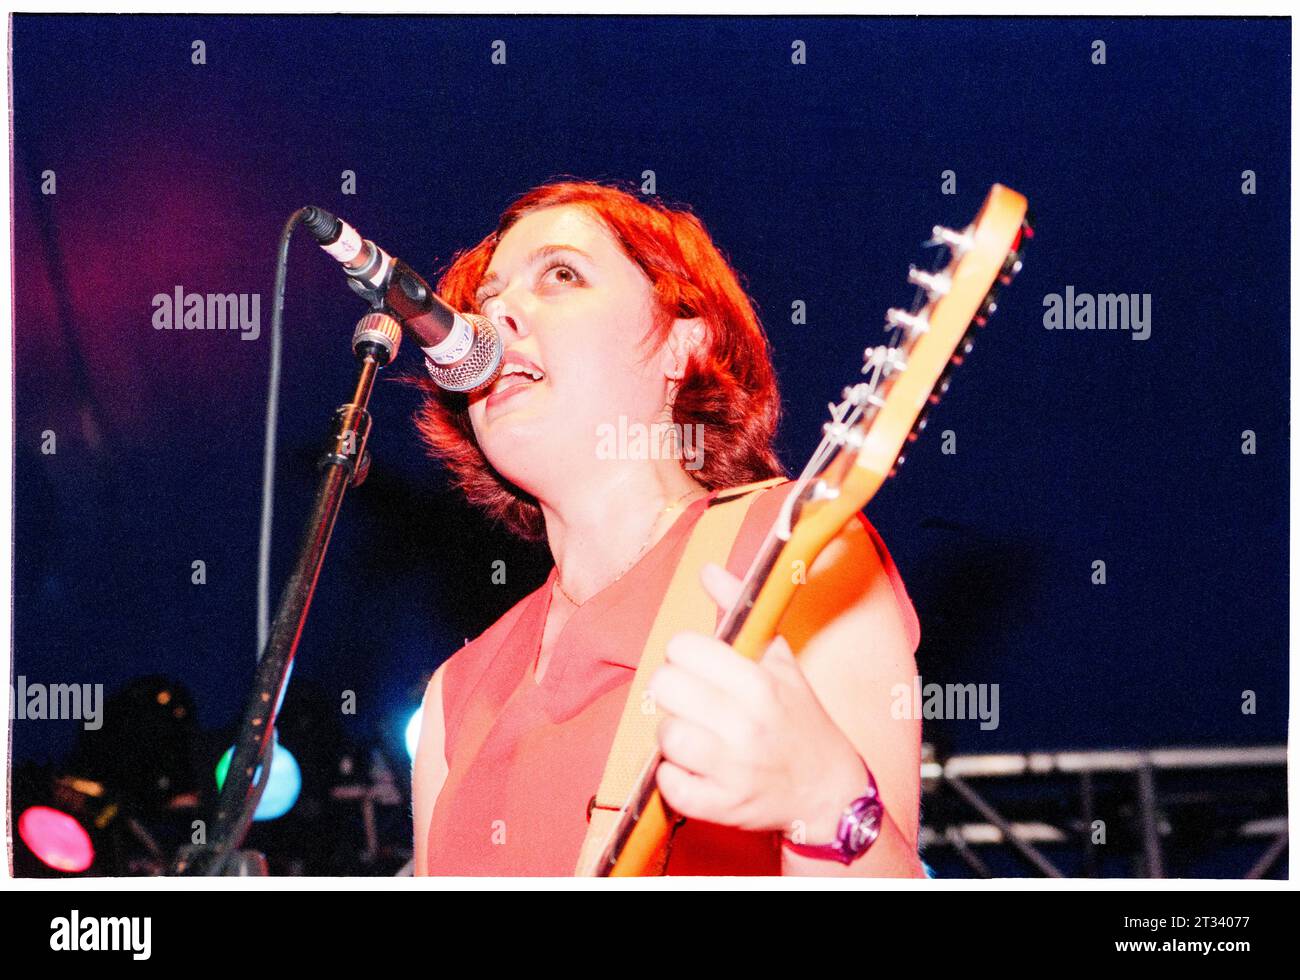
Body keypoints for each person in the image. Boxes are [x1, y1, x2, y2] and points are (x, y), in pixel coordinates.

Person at [409, 179, 923, 876]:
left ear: (684, 345)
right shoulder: (455, 695)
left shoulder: (797, 550)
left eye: (560, 275)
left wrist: (828, 804)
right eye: (484, 302)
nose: (495, 320)